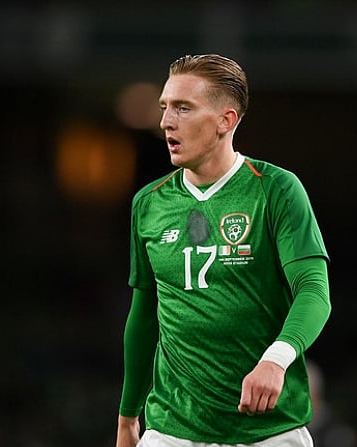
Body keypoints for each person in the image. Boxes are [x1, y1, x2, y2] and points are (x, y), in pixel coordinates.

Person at [115, 53, 332, 447]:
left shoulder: (275, 190)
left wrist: (275, 359)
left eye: (183, 108)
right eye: (165, 107)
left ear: (225, 120)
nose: (166, 121)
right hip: (171, 429)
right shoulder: (149, 203)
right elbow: (145, 314)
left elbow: (315, 291)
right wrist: (128, 415)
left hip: (268, 429)